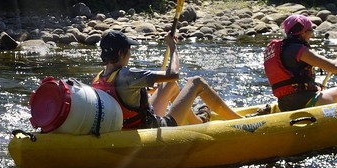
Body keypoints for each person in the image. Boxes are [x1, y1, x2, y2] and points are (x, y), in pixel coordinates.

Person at [92, 29, 243, 129]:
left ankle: (196, 122)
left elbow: (122, 97)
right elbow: (174, 73)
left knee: (170, 86)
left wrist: (145, 91)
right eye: (129, 50)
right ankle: (239, 121)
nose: (130, 54)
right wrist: (173, 48)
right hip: (152, 127)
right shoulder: (127, 74)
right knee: (196, 82)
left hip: (133, 123)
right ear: (120, 53)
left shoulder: (98, 79)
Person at [263, 13, 337, 111]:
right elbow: (335, 67)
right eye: (311, 30)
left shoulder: (280, 49)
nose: (311, 35)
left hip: (285, 105)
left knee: (321, 87)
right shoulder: (298, 49)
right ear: (303, 32)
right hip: (305, 102)